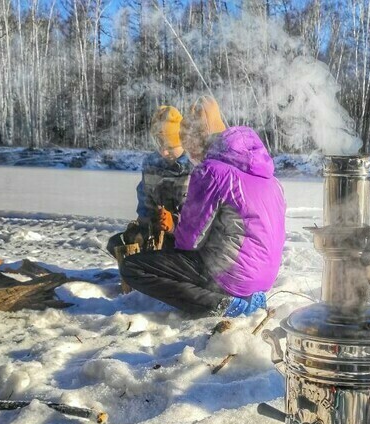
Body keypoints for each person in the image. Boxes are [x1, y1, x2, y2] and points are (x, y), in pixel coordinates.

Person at [120, 97, 286, 318]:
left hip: (232, 277)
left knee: (133, 268)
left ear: (197, 142)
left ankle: (221, 303)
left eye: (188, 147)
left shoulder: (211, 170)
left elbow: (189, 241)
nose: (190, 156)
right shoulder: (268, 176)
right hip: (264, 279)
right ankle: (244, 297)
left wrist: (171, 230)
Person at [107, 105, 194, 257]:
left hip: (184, 239)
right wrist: (144, 228)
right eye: (160, 145)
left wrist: (173, 224)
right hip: (157, 233)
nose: (164, 152)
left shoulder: (194, 168)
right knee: (116, 243)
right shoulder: (151, 164)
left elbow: (199, 220)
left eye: (170, 146)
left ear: (183, 141)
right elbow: (145, 204)